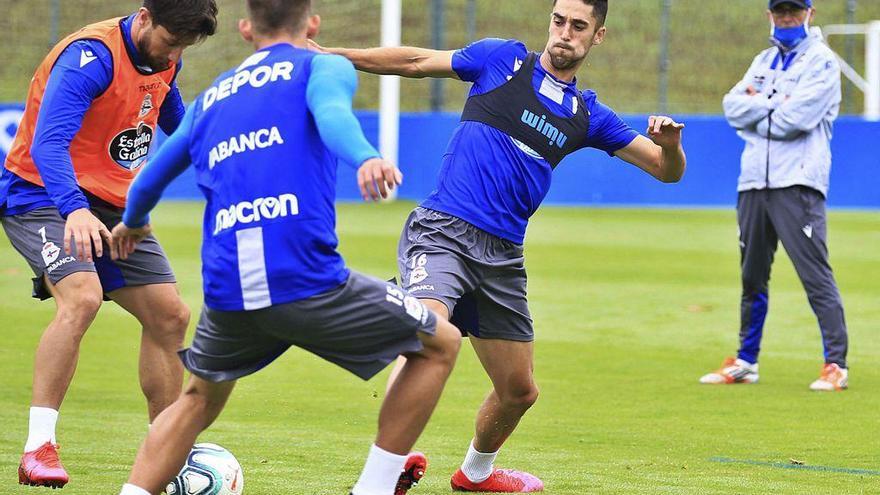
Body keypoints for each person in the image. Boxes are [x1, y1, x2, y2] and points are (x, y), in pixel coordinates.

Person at [311, 0, 686, 491]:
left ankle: (475, 474)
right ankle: (386, 467)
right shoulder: (502, 61)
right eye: (558, 21)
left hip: (503, 257)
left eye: (578, 26)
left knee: (519, 391)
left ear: (598, 36)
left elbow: (665, 170)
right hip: (443, 231)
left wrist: (672, 143)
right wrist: (332, 56)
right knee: (429, 332)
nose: (564, 33)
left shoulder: (588, 115)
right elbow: (415, 62)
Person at [110, 1, 462, 495]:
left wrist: (132, 224)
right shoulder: (323, 64)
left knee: (196, 401)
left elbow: (147, 180)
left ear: (247, 28)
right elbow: (333, 113)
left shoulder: (211, 98)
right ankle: (375, 489)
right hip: (303, 276)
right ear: (313, 24)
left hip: (228, 289)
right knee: (440, 342)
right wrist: (365, 157)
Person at [1, 0, 218, 488]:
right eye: (169, 42)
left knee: (170, 316)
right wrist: (75, 209)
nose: (173, 55)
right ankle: (38, 449)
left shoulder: (166, 55)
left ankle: (167, 452)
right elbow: (47, 145)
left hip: (113, 205)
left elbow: (172, 117)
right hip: (41, 194)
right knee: (82, 298)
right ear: (144, 18)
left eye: (183, 48)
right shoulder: (90, 57)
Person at [700, 0, 848, 391]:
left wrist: (757, 107)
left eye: (794, 13)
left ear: (809, 15)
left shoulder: (822, 62)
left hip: (797, 183)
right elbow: (731, 107)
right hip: (753, 182)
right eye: (780, 12)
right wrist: (772, 106)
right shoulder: (762, 60)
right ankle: (746, 360)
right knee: (752, 276)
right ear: (769, 15)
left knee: (814, 275)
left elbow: (794, 121)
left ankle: (836, 364)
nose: (786, 19)